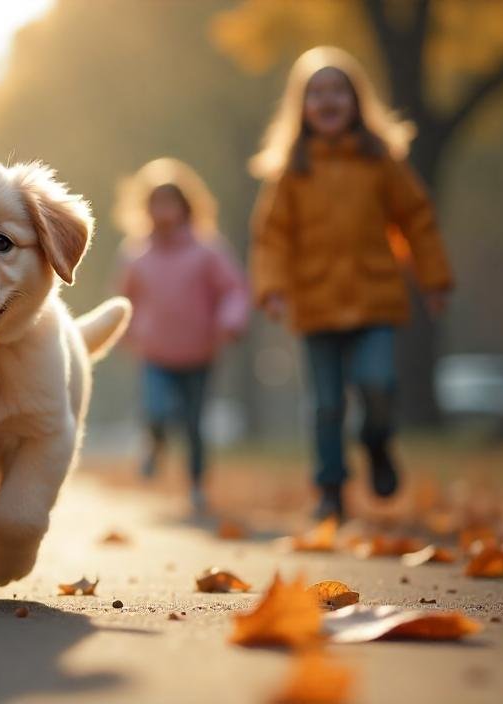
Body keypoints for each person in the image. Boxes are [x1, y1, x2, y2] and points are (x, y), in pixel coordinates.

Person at [249, 47, 453, 520]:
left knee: (378, 383)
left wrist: (434, 278)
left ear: (357, 101)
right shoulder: (291, 171)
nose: (327, 100)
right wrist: (272, 287)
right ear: (301, 107)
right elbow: (271, 236)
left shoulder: (380, 161)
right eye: (316, 93)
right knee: (325, 405)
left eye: (337, 90)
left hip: (374, 296)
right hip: (315, 301)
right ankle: (330, 490)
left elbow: (416, 218)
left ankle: (377, 443)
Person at [116, 158, 248, 515]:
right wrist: (125, 333)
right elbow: (123, 300)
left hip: (199, 353)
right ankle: (154, 445)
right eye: (156, 203)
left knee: (194, 425)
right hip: (155, 354)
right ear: (145, 208)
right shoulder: (135, 255)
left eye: (170, 203)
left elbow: (234, 290)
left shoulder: (208, 250)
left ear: (186, 207)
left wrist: (231, 321)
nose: (163, 211)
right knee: (157, 412)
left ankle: (196, 487)